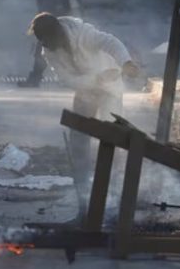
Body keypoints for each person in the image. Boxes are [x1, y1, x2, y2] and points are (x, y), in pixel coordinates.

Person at [27, 12, 139, 187]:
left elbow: (110, 42)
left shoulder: (82, 33)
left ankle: (115, 183)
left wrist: (126, 62)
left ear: (57, 34)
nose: (46, 45)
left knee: (112, 135)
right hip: (85, 90)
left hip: (109, 88)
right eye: (43, 42)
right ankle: (82, 184)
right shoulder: (49, 51)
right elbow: (67, 80)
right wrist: (96, 79)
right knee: (78, 136)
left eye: (47, 40)